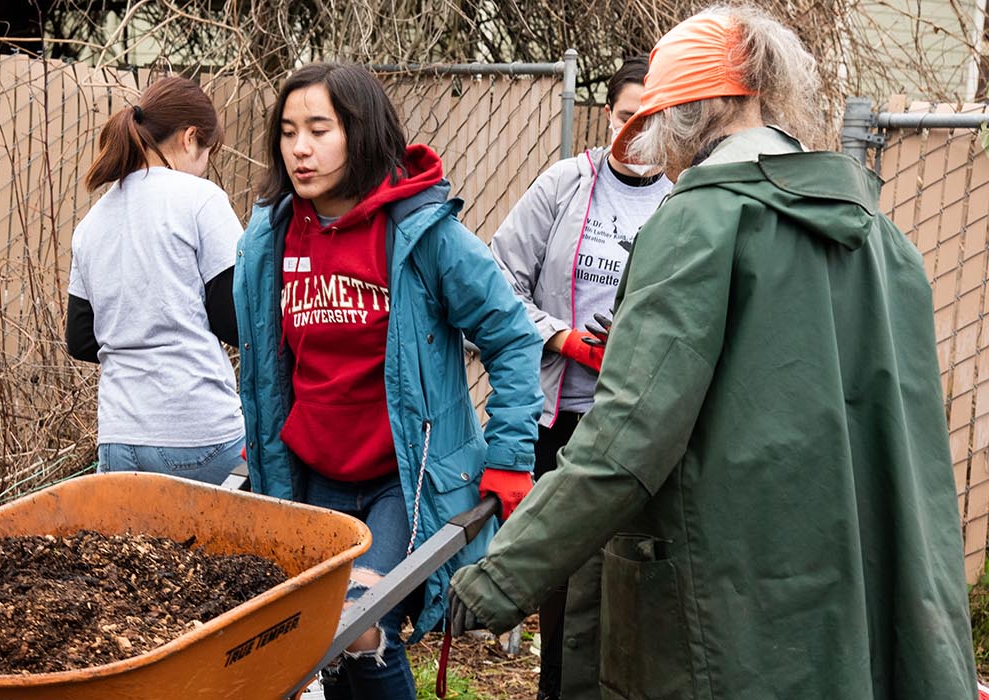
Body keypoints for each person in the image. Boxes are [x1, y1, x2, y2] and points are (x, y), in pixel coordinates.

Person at [448, 7, 977, 699]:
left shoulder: (699, 222)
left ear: (691, 115)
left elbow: (626, 440)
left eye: (655, 129)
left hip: (727, 630)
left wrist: (496, 579)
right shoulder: (882, 238)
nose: (656, 155)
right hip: (861, 619)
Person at [234, 62, 545, 699]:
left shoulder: (423, 236)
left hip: (399, 477)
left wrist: (511, 454)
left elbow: (513, 338)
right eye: (288, 130)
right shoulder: (269, 239)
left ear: (361, 132)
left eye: (319, 129)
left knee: (356, 620)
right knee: (314, 636)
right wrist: (262, 437)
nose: (299, 148)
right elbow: (271, 363)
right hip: (310, 474)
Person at [489, 57, 672, 700]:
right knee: (560, 568)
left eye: (655, 119)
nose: (640, 133)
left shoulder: (684, 201)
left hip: (634, 420)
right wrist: (560, 337)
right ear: (608, 117)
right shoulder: (564, 184)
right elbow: (499, 281)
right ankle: (553, 687)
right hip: (558, 414)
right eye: (629, 117)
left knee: (627, 569)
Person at [65, 76, 245, 485]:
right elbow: (234, 320)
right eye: (207, 154)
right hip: (199, 433)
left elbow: (80, 338)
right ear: (190, 138)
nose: (203, 167)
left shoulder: (91, 224)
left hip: (118, 439)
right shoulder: (201, 199)